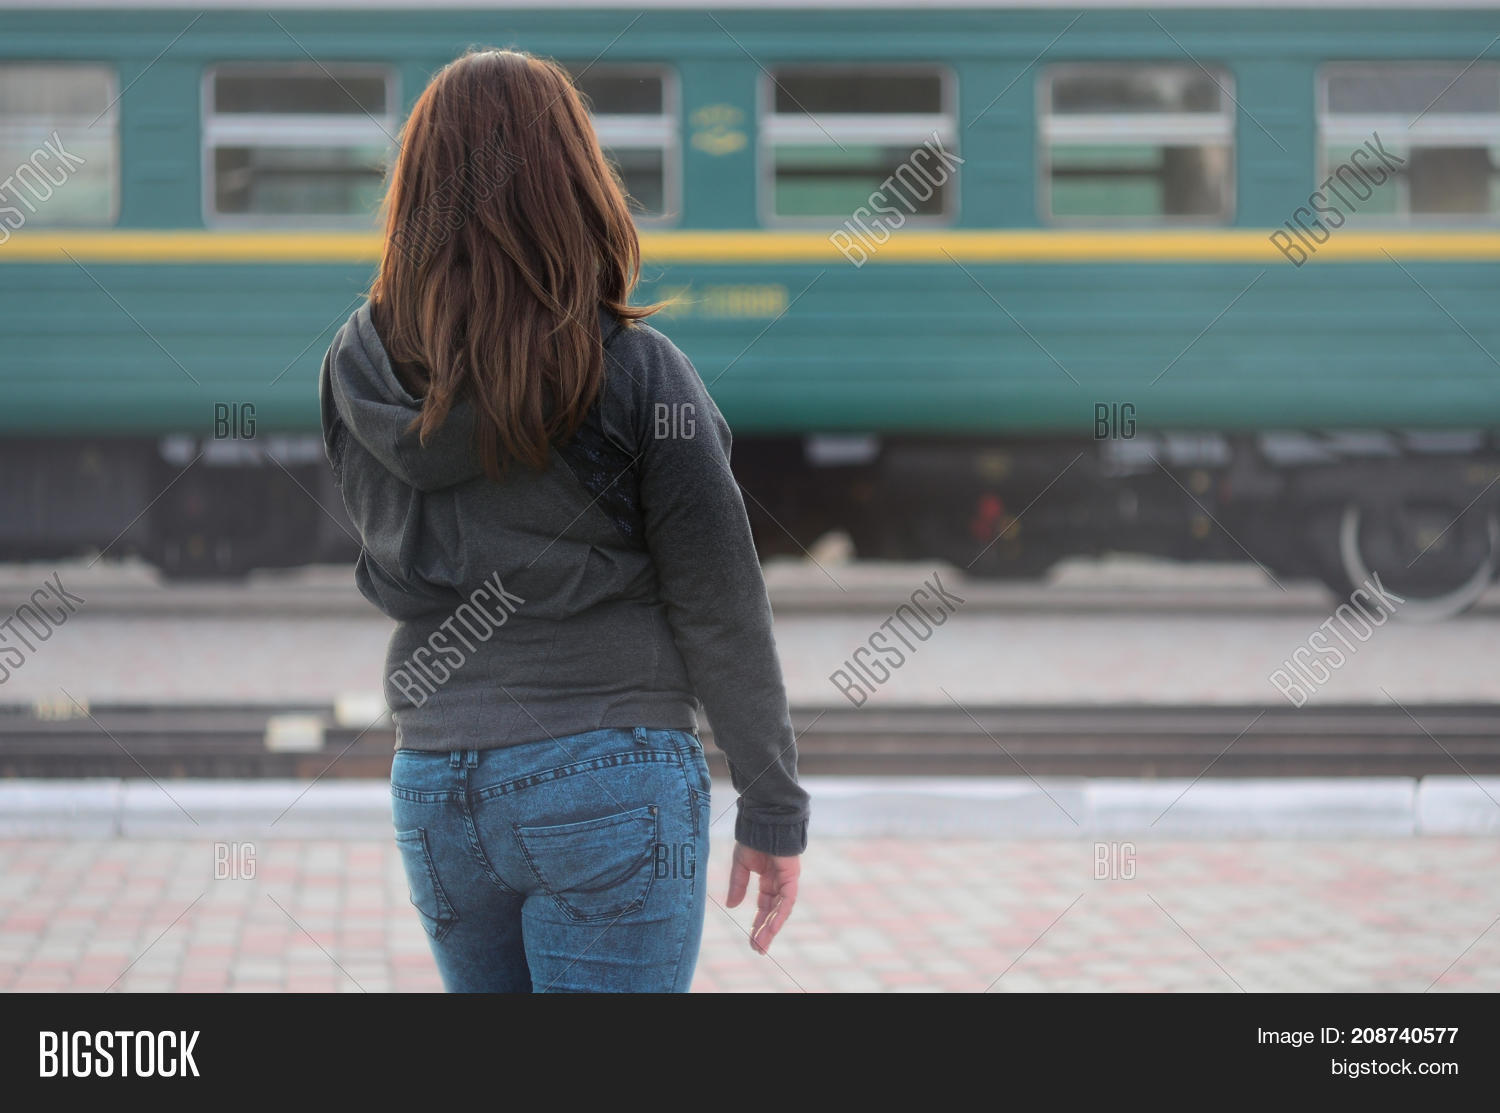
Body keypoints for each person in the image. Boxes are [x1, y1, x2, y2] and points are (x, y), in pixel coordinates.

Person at [317, 48, 808, 993]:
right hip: (608, 771)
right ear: (573, 181)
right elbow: (719, 599)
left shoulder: (357, 375)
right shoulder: (633, 372)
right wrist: (773, 806)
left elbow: (389, 566)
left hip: (434, 779)